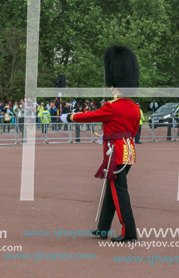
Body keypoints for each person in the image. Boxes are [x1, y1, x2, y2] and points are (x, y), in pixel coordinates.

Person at [61, 46, 141, 242]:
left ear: (115, 85)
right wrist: (107, 136)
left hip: (115, 154)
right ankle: (103, 228)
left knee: (119, 192)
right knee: (112, 189)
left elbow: (90, 116)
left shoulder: (112, 107)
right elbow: (131, 131)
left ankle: (129, 232)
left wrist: (69, 117)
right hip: (128, 152)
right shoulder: (135, 108)